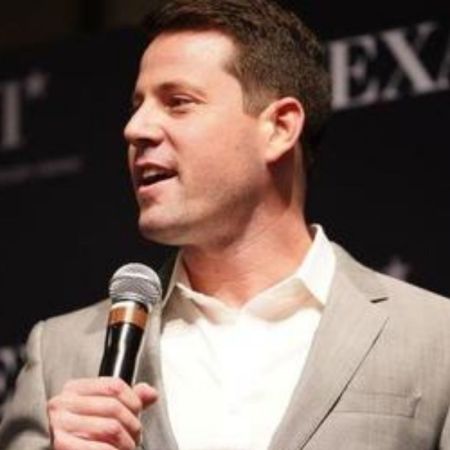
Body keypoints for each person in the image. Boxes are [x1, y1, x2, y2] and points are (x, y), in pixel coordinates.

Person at [1, 0, 450, 448]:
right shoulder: (60, 352)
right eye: (137, 106)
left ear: (279, 127)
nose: (136, 129)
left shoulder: (435, 336)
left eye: (178, 103)